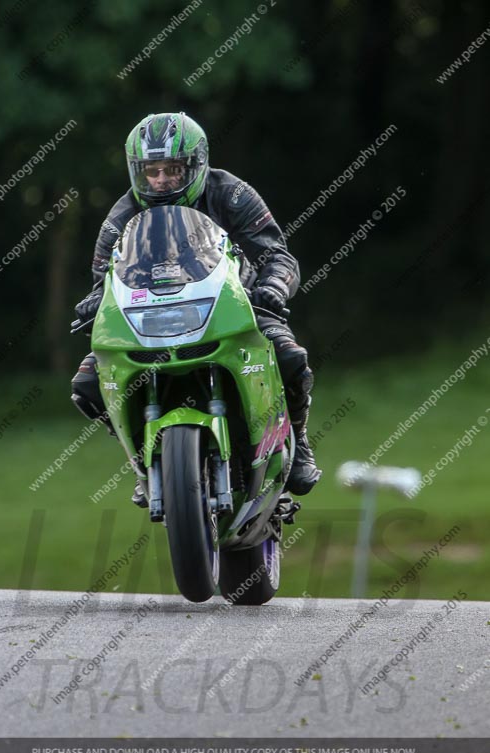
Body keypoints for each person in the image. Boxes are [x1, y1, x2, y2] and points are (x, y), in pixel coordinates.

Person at [71, 111, 322, 497]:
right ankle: (144, 462)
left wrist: (272, 285)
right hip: (149, 321)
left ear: (197, 163)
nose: (160, 180)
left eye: (172, 169)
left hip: (237, 308)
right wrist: (92, 303)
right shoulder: (120, 215)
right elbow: (102, 281)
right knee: (87, 383)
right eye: (150, 171)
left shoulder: (232, 193)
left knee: (291, 358)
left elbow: (278, 256)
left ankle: (298, 442)